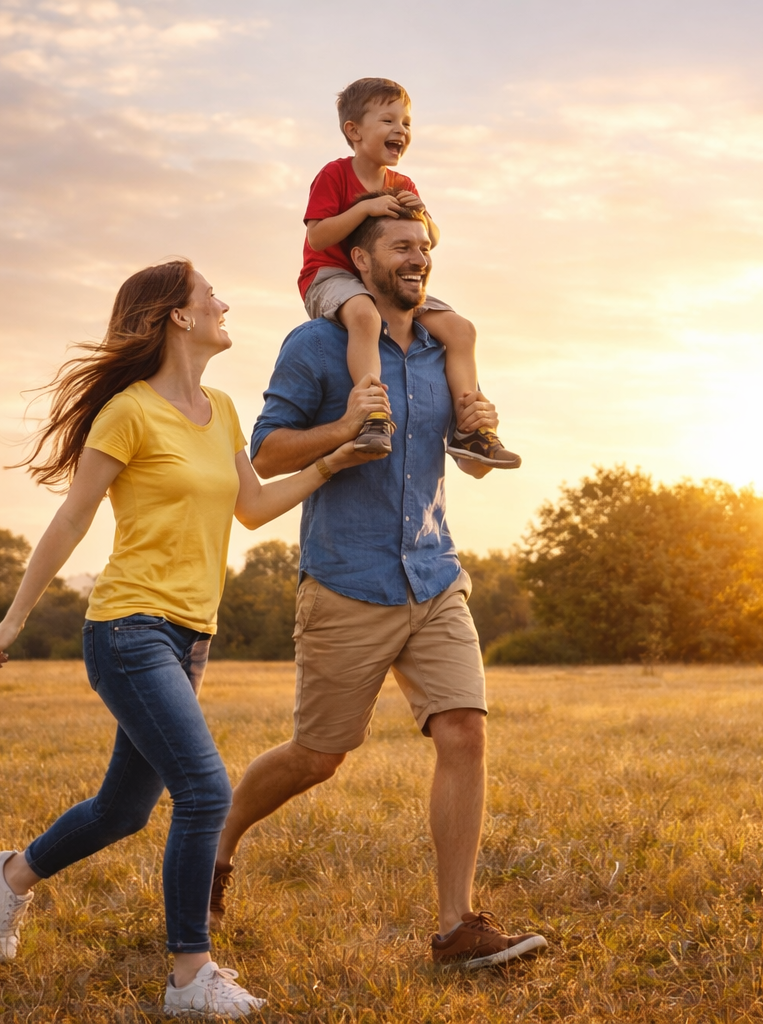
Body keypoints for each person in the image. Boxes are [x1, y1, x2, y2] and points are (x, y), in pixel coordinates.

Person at [0, 259, 382, 1018]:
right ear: (178, 318)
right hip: (128, 628)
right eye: (210, 296)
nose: (224, 304)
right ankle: (191, 976)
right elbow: (73, 517)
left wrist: (330, 462)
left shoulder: (220, 409)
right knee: (205, 790)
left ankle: (11, 874)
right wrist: (15, 618)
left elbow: (251, 508)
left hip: (191, 635)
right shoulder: (127, 412)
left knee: (123, 810)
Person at [211, 198, 547, 969]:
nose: (416, 258)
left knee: (464, 730)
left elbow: (465, 462)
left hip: (433, 574)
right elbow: (266, 453)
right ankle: (216, 844)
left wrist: (478, 429)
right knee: (317, 755)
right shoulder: (316, 345)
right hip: (346, 582)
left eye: (422, 246)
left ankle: (457, 928)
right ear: (360, 262)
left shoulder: (441, 349)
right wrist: (344, 427)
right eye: (399, 246)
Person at [298, 76, 521, 470]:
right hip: (330, 275)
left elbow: (431, 237)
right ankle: (372, 414)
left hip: (384, 282)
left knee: (461, 329)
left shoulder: (402, 183)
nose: (400, 130)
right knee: (365, 314)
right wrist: (363, 209)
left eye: (406, 122)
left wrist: (422, 214)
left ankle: (471, 429)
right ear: (354, 131)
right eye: (388, 120)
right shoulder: (334, 174)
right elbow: (317, 236)